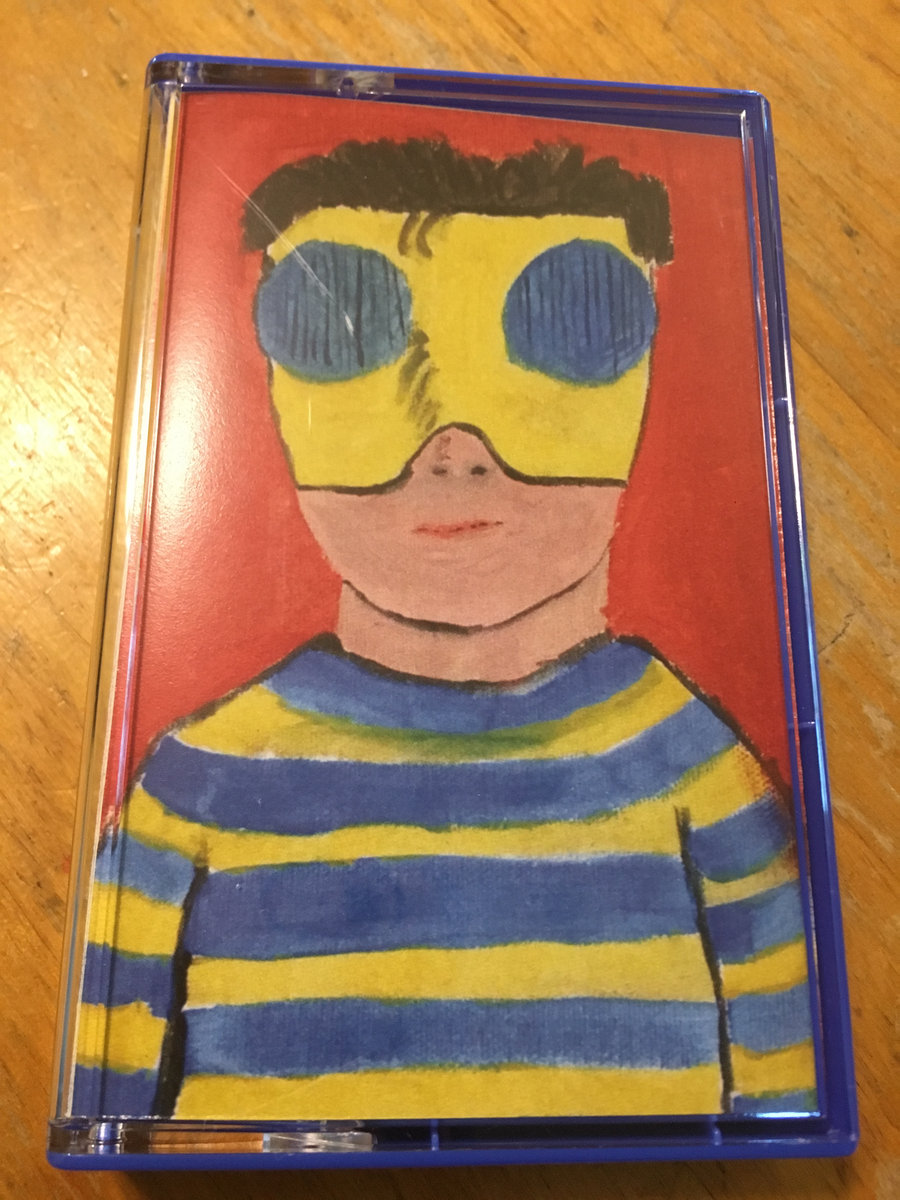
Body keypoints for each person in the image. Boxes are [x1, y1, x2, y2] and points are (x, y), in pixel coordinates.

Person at [74, 139, 816, 1122]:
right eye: (340, 331)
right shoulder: (195, 787)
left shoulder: (694, 769)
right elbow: (110, 1109)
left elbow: (788, 1095)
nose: (454, 450)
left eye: (575, 322)